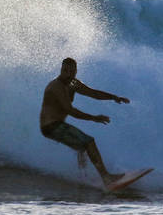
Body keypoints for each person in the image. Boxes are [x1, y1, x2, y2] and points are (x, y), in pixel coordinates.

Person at [39, 57, 130, 186]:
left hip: (57, 125)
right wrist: (94, 118)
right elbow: (70, 110)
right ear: (61, 70)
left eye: (71, 71)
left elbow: (93, 93)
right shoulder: (56, 86)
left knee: (81, 147)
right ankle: (106, 178)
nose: (68, 74)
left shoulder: (73, 83)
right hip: (51, 126)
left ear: (76, 71)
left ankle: (83, 178)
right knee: (89, 142)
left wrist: (114, 97)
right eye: (65, 70)